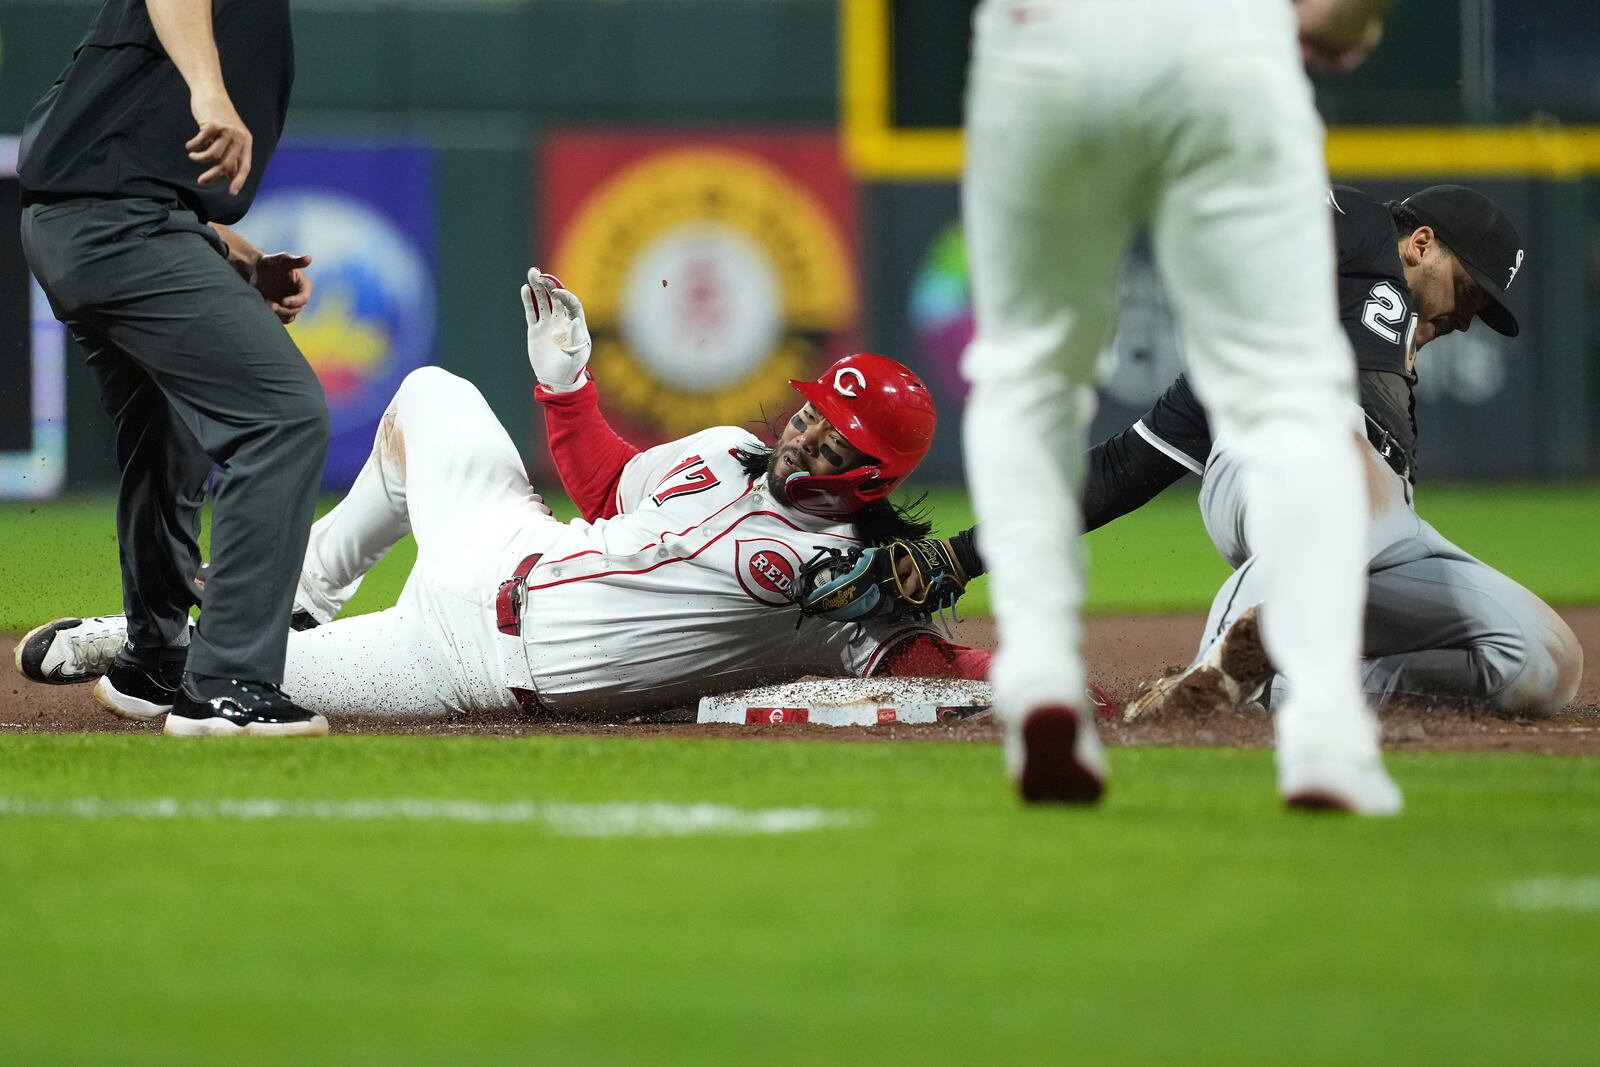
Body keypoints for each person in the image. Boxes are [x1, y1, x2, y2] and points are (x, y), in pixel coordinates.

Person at [17, 271, 995, 724]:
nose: (808, 430)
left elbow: (929, 660)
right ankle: (304, 586)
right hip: (508, 544)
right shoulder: (733, 448)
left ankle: (156, 640)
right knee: (432, 396)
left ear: (872, 475)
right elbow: (608, 488)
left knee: (215, 690)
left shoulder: (848, 582)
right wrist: (570, 388)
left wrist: (1054, 683)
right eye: (815, 410)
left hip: (468, 659)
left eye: (837, 434)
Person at [907, 185, 1581, 719]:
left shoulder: (1352, 355)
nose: (1464, 320)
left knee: (1545, 661)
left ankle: (1281, 689)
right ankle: (1204, 686)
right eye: (1469, 292)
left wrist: (960, 556)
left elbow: (1118, 471)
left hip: (1374, 523)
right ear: (1423, 243)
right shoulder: (1367, 230)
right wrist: (961, 552)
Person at [959, 0, 1402, 812]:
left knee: (1027, 378)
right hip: (1224, 44)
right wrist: (1345, 23)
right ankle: (1324, 729)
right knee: (1289, 393)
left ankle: (1041, 672)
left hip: (1045, 44)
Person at [17, 0, 329, 736]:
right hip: (114, 225)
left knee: (168, 432)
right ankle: (228, 685)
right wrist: (209, 89)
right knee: (283, 417)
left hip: (98, 217)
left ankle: (156, 658)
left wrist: (239, 258)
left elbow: (114, 146)